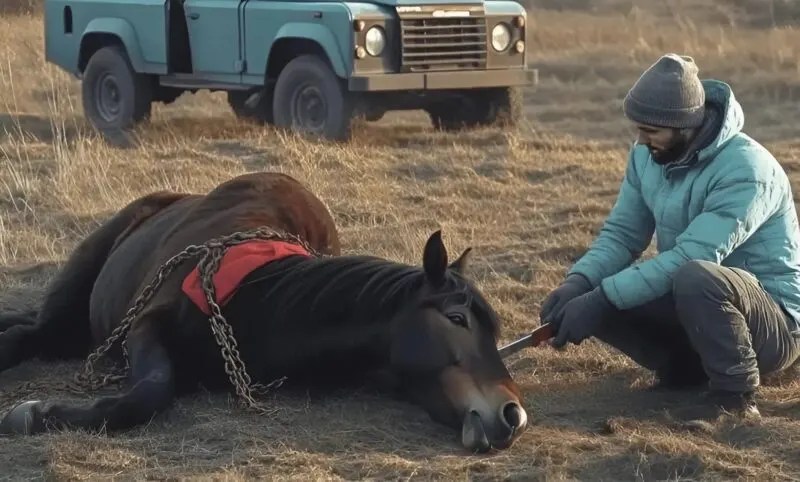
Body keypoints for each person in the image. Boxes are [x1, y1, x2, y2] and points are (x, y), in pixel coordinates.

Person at [539, 53, 800, 422]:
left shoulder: (747, 170)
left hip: (772, 325)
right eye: (637, 130)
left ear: (685, 125)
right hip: (696, 304)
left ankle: (735, 398)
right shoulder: (647, 155)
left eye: (650, 132)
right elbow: (623, 234)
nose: (640, 141)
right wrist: (578, 284)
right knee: (600, 288)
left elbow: (688, 258)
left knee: (692, 275)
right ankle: (684, 370)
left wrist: (602, 299)